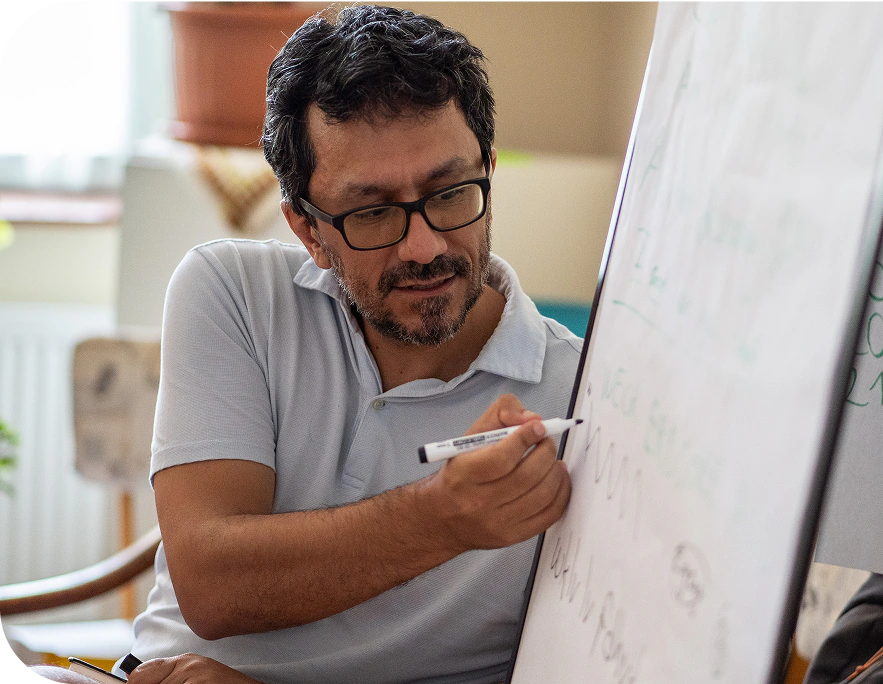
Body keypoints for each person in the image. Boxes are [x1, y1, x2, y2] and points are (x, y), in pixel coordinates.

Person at [35, 6, 578, 684]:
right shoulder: (232, 291)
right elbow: (212, 586)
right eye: (372, 212)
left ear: (489, 175)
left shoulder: (579, 389)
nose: (424, 245)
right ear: (308, 231)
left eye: (449, 193)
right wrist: (441, 517)